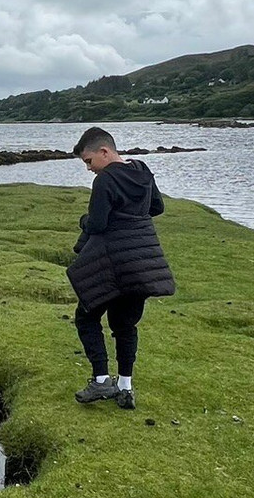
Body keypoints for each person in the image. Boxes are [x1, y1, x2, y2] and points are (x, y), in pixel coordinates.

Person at [66, 127, 175, 410]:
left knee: (86, 316)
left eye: (89, 161)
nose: (89, 168)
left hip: (113, 263)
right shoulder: (142, 170)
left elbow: (97, 224)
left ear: (104, 151)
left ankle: (102, 379)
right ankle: (125, 388)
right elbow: (157, 207)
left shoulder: (105, 180)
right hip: (143, 263)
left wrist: (83, 221)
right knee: (125, 324)